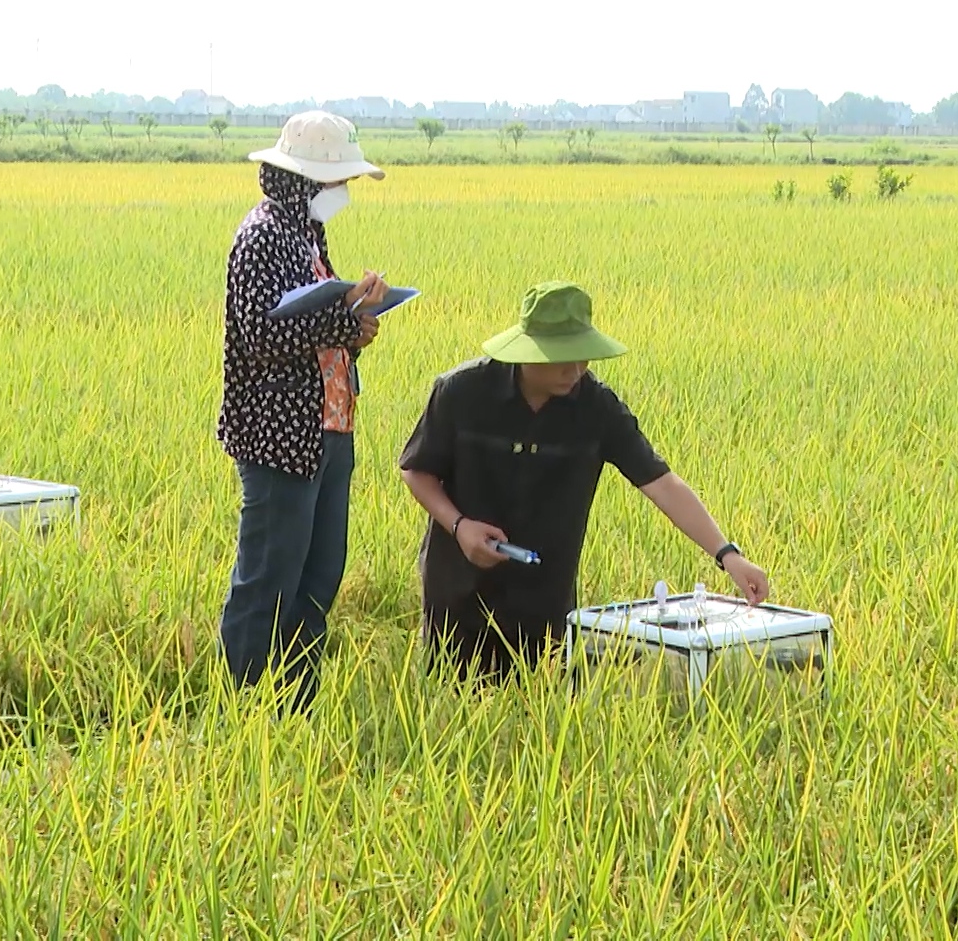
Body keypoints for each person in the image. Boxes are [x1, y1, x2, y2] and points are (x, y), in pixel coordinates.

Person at [397, 280, 771, 683]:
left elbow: (661, 483)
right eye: (561, 358)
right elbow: (417, 470)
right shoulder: (461, 393)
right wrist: (458, 526)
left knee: (543, 716)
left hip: (546, 597)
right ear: (527, 349)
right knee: (453, 710)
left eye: (583, 358)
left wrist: (727, 554)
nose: (574, 370)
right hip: (458, 591)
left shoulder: (596, 409)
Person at [216, 110, 391, 698]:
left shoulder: (307, 235)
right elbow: (261, 335)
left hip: (329, 426)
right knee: (269, 578)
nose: (343, 193)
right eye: (337, 182)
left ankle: (296, 703)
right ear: (306, 181)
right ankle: (244, 708)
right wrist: (341, 319)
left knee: (319, 577)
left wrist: (357, 327)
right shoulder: (262, 234)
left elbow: (319, 332)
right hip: (280, 433)